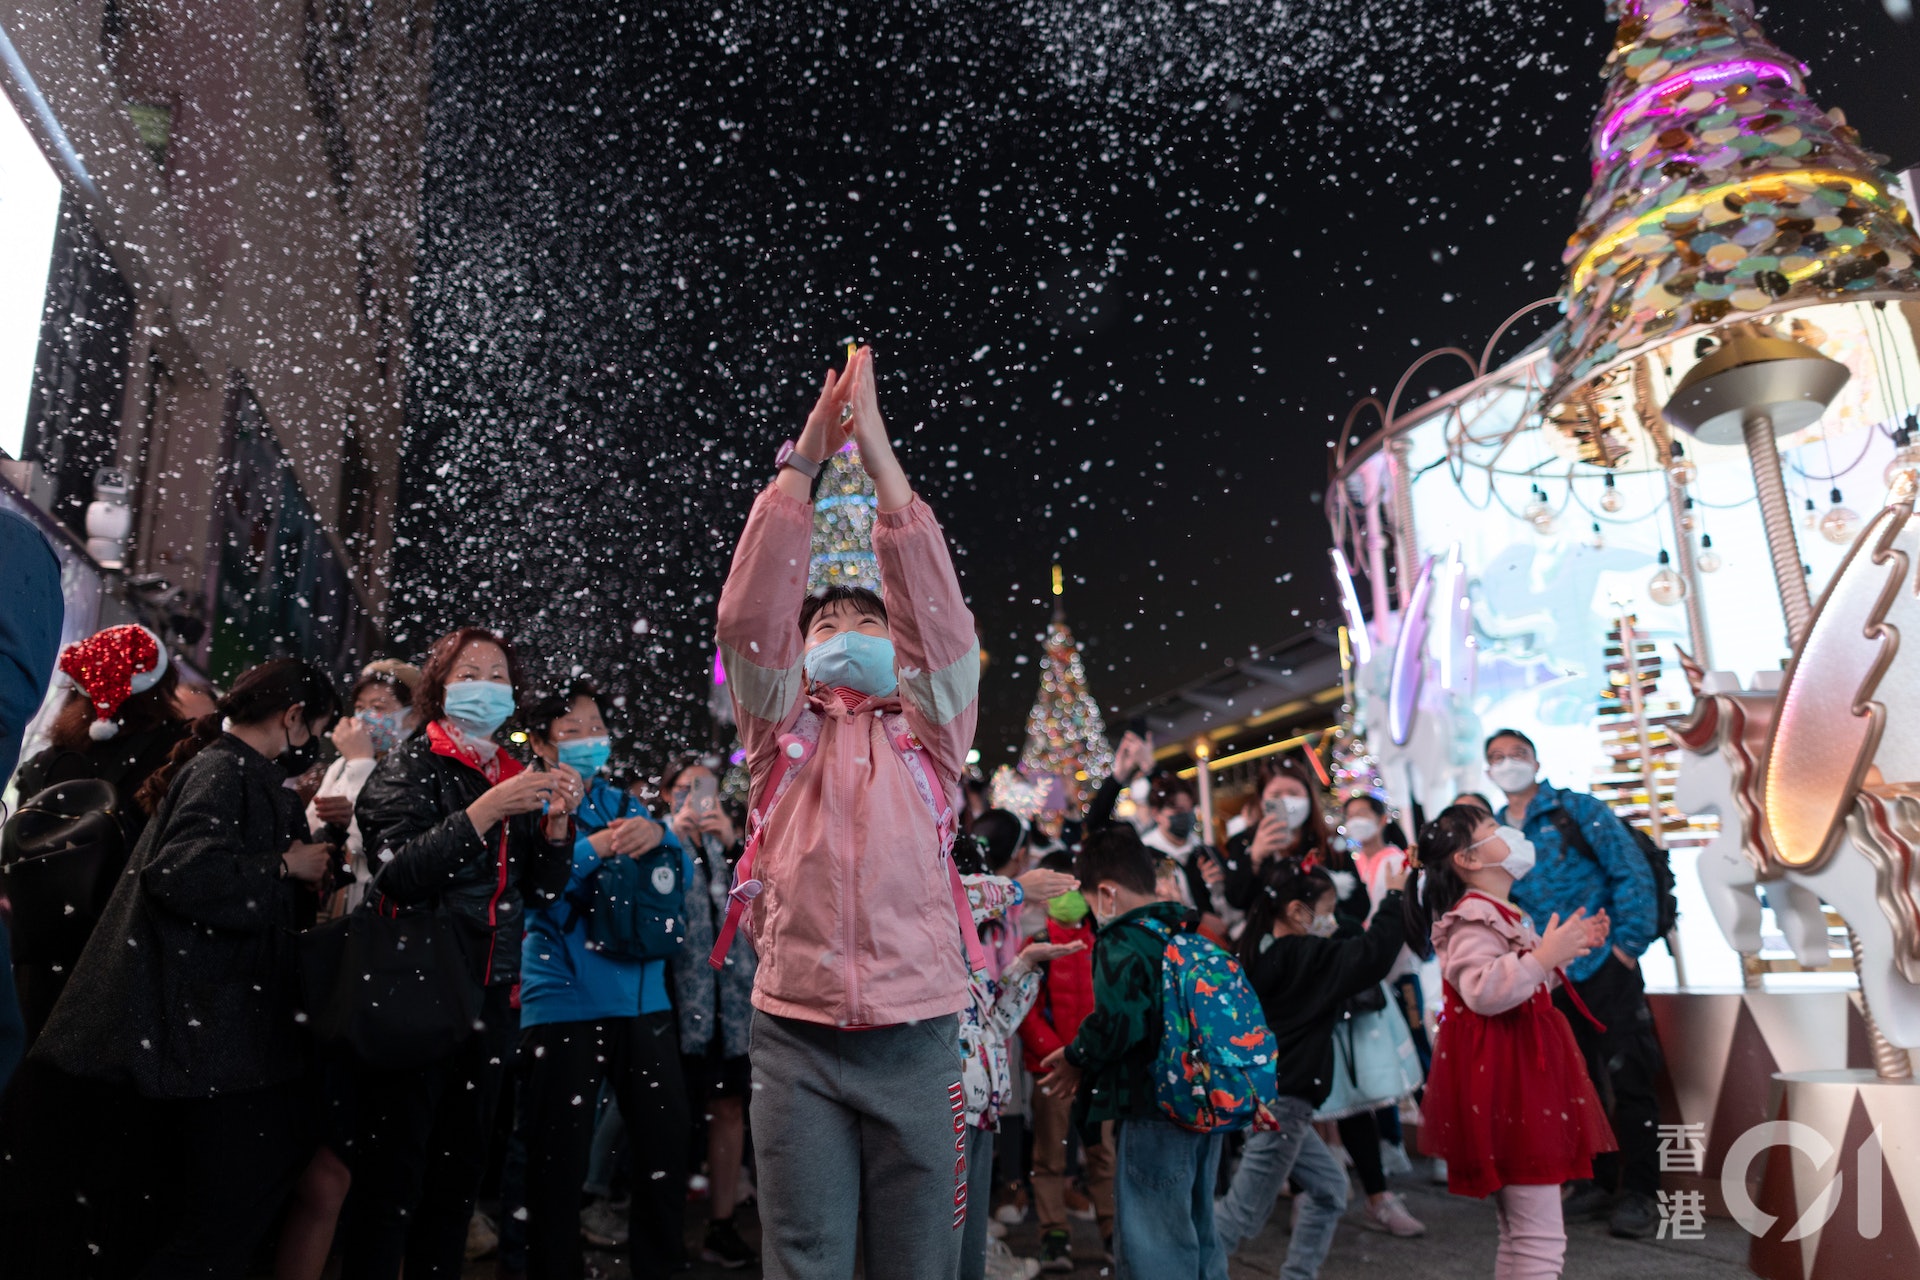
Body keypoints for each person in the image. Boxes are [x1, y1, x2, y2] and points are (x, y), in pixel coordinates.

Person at [714, 345, 982, 1280]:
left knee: (918, 1263)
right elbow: (752, 618)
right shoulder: (776, 735)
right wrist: (804, 465)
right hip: (794, 1035)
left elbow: (940, 622)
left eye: (868, 622)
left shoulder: (935, 737)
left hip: (919, 1036)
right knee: (805, 1259)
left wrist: (876, 455)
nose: (842, 634)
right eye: (825, 623)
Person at [29, 659, 341, 1278]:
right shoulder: (227, 770)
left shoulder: (236, 769)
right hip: (205, 1031)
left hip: (212, 1029)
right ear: (292, 717)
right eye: (315, 727)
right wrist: (283, 867)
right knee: (216, 1218)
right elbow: (181, 873)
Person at [339, 626, 578, 1280]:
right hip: (416, 992)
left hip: (491, 998)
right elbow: (397, 871)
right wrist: (484, 812)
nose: (487, 685)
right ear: (441, 686)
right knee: (392, 1182)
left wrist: (557, 828)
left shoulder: (514, 768)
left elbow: (544, 892)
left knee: (458, 1180)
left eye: (499, 674)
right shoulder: (410, 764)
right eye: (471, 671)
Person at [515, 680, 693, 1279]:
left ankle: (660, 1267)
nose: (591, 740)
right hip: (562, 999)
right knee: (555, 1161)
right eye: (573, 730)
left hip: (644, 1000)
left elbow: (680, 877)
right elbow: (531, 891)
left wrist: (661, 836)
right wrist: (591, 848)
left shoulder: (626, 802)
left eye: (596, 727)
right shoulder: (526, 800)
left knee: (663, 1151)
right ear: (541, 743)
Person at [1404, 805, 1616, 1279]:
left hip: (1511, 1076)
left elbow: (1519, 985)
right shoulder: (1474, 915)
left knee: (1522, 1234)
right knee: (1540, 1239)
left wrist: (1564, 949)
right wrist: (1544, 957)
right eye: (1493, 830)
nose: (1511, 835)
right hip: (1510, 1083)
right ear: (1470, 859)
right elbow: (1484, 991)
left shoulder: (1498, 911)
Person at [1484, 728, 1663, 1238]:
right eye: (1498, 758)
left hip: (1605, 965)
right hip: (1550, 979)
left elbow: (1630, 873)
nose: (1508, 764)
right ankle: (1597, 1182)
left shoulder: (1578, 811)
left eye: (1517, 754)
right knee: (1575, 1084)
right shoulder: (1496, 835)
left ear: (1536, 761)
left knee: (1630, 1077)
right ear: (1487, 772)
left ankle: (1641, 1194)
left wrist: (1626, 948)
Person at [1211, 856, 1413, 1274]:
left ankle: (1298, 1274)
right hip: (1282, 1102)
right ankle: (1180, 1268)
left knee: (1329, 1190)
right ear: (1296, 912)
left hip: (1268, 1098)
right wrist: (1394, 897)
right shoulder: (1303, 954)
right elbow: (1372, 956)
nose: (1332, 920)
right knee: (1240, 1214)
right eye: (1327, 911)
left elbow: (1357, 949)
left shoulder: (1262, 950)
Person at [1037, 827, 1222, 1280]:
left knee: (1153, 1239)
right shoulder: (1182, 930)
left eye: (1088, 901)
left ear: (1106, 893)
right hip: (1206, 1102)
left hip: (1153, 1106)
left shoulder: (1122, 940)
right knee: (1198, 1227)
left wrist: (1077, 1055)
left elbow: (1119, 1022)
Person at [9, 624, 189, 1038]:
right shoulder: (180, 756)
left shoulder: (45, 763)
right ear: (162, 687)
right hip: (129, 945)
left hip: (43, 946)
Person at [953, 823, 1081, 1280]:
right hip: (946, 1107)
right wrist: (1016, 889)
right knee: (943, 1235)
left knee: (967, 1234)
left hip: (981, 1107)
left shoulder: (974, 946)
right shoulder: (924, 940)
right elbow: (932, 896)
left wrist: (1027, 965)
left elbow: (996, 1021)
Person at [664, 755, 758, 1269]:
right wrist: (671, 835)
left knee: (728, 1111)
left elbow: (760, 911)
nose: (696, 797)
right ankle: (666, 1228)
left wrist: (734, 843)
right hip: (678, 1003)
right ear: (666, 794)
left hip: (731, 1005)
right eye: (684, 787)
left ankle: (720, 1225)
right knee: (675, 1120)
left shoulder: (730, 849)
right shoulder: (658, 840)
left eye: (704, 787)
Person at [1018, 850, 1113, 1274]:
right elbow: (1025, 1010)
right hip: (1051, 1068)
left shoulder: (1105, 943)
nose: (1071, 896)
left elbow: (1111, 1005)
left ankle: (1112, 1230)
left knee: (1102, 1152)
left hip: (1096, 1066)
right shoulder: (1036, 946)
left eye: (1076, 887)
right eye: (1062, 888)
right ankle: (1053, 1235)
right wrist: (1058, 1054)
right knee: (1051, 1156)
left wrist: (1087, 1053)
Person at [1334, 792, 1428, 1179]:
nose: (1356, 821)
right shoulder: (1353, 866)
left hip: (1398, 973)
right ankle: (1391, 1144)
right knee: (1379, 1061)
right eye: (1349, 815)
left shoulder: (1396, 860)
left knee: (1420, 1054)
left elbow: (1405, 919)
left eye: (1362, 814)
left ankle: (1443, 1140)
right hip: (1369, 978)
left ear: (1380, 818)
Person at [306, 660, 421, 916]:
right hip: (336, 904)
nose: (365, 717)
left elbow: (367, 843)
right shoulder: (340, 766)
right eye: (360, 707)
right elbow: (311, 827)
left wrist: (361, 763)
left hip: (382, 911)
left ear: (412, 717)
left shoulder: (416, 770)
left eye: (379, 707)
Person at [1221, 757, 1331, 920]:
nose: (1285, 800)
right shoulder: (1242, 841)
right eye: (1276, 794)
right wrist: (1254, 858)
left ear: (1308, 796)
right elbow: (1236, 899)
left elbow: (1358, 902)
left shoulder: (1327, 841)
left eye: (1294, 793)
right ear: (1262, 800)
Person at [1139, 775, 1232, 938]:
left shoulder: (1204, 851)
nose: (1186, 817)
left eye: (1190, 810)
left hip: (1216, 942)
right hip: (1177, 946)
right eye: (1178, 811)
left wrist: (1216, 888)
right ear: (1156, 813)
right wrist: (1199, 919)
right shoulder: (1146, 856)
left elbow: (1229, 903)